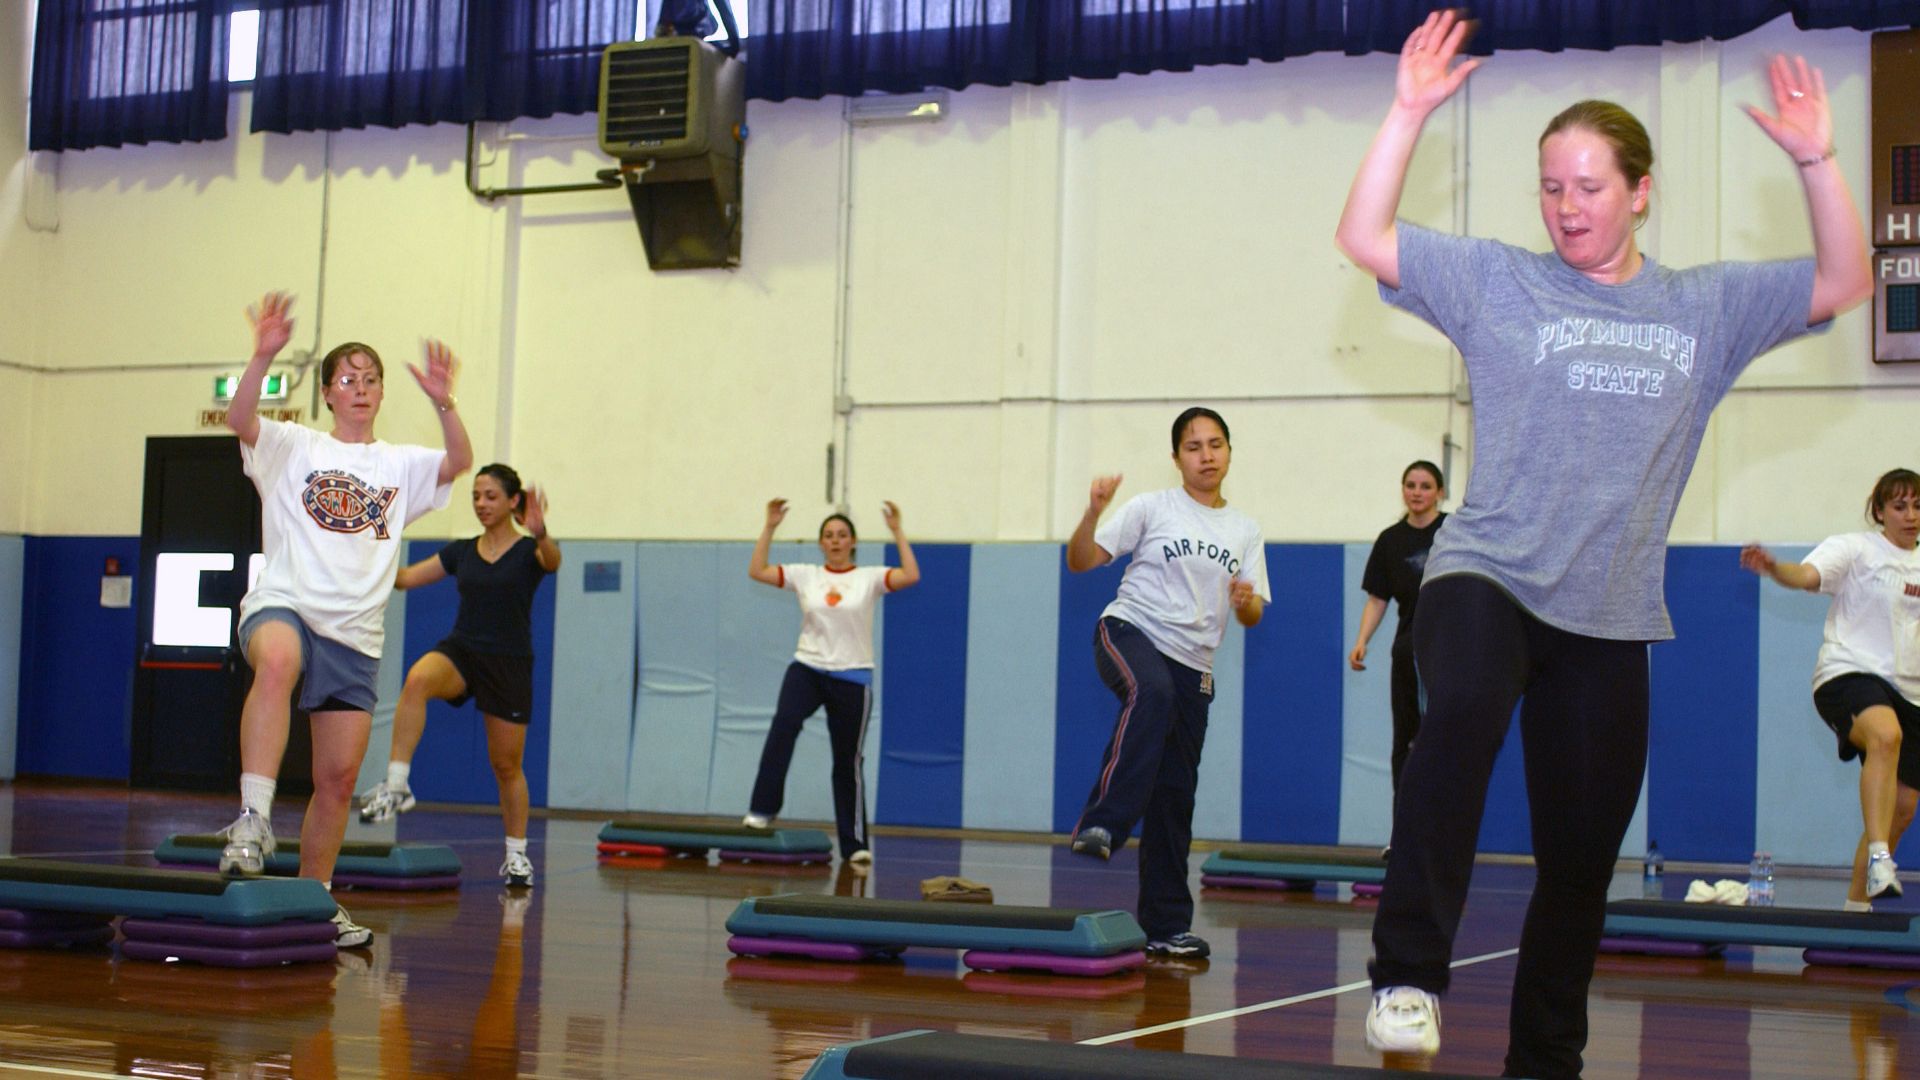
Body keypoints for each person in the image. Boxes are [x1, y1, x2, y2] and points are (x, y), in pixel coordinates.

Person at [1333, 10, 1872, 1074]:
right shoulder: (1501, 282)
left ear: (1639, 191)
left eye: (1588, 187)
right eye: (1551, 187)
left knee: (1580, 856)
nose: (1567, 208)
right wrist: (1406, 113)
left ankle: (1547, 1059)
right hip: (1486, 572)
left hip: (1611, 608)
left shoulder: (1703, 308)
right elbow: (1364, 238)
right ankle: (1406, 977)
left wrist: (1818, 160)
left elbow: (1843, 282)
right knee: (1464, 716)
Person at [221, 291, 473, 948]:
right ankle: (252, 817)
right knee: (277, 660)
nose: (359, 388)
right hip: (287, 604)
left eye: (370, 379)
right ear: (328, 393)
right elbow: (240, 417)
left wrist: (445, 400)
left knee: (335, 781)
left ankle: (317, 899)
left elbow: (458, 462)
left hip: (355, 636)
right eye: (347, 379)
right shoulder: (293, 446)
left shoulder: (399, 464)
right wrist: (262, 356)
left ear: (381, 392)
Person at [1065, 407, 1271, 960]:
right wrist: (1091, 513)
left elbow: (1252, 616)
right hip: (1131, 632)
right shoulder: (1153, 507)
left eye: (1216, 444)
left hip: (1195, 665)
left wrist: (1246, 601)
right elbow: (1081, 560)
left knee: (1175, 795)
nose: (1207, 455)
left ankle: (1165, 926)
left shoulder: (1245, 530)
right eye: (1194, 446)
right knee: (1149, 693)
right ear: (1177, 457)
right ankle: (1103, 822)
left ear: (1229, 451)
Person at [358, 464, 561, 890]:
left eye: (490, 496)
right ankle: (397, 784)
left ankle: (517, 855)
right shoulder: (462, 551)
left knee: (506, 765)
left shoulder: (528, 552)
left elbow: (553, 561)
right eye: (476, 496)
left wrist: (541, 533)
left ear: (512, 502)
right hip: (462, 651)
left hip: (507, 663)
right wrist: (370, 547)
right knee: (417, 679)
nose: (481, 504)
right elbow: (406, 580)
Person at [1742, 468, 1920, 910]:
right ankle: (1881, 856)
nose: (1911, 515)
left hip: (1911, 693)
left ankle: (1855, 911)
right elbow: (1804, 576)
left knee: (1901, 810)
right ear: (1879, 511)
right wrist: (1773, 568)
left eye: (1918, 506)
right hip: (1849, 675)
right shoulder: (1855, 549)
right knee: (1885, 735)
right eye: (1900, 506)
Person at [743, 501, 921, 864]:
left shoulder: (869, 578)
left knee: (847, 762)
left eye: (842, 535)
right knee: (783, 727)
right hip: (807, 669)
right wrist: (770, 526)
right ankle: (762, 809)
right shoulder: (806, 574)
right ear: (821, 543)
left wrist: (897, 530)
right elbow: (758, 570)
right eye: (829, 536)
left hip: (852, 677)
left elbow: (911, 575)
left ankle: (855, 845)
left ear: (853, 541)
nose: (836, 541)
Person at [1350, 461, 1449, 802]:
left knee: (1445, 739)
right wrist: (1362, 641)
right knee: (1406, 739)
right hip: (1408, 653)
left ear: (1440, 492)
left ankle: (1442, 830)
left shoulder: (1455, 534)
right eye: (1410, 485)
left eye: (1425, 486)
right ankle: (1402, 831)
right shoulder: (1390, 541)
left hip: (1450, 654)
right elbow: (1377, 599)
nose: (1417, 492)